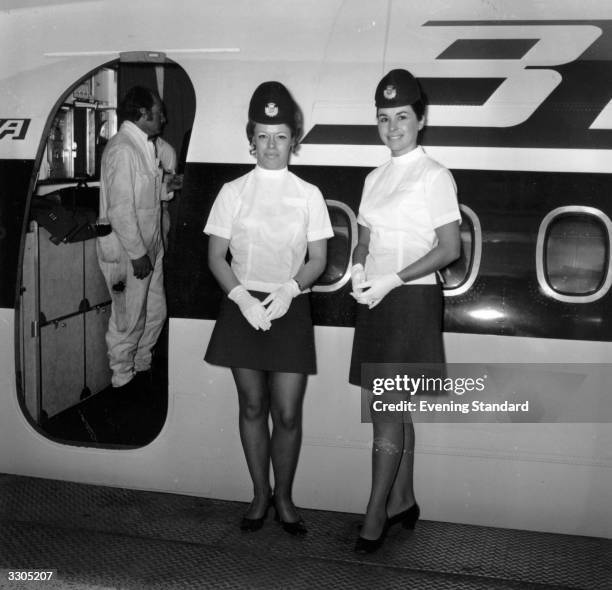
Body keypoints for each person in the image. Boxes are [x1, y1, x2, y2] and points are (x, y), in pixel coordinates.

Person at [204, 81, 333, 535]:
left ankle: (285, 496)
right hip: (242, 303)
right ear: (251, 139)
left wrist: (291, 290)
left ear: (293, 139)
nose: (272, 145)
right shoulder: (233, 192)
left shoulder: (308, 194)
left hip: (290, 305)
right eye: (263, 135)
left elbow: (318, 259)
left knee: (289, 412)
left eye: (280, 135)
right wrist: (240, 296)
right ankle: (260, 494)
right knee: (253, 406)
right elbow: (215, 256)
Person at [349, 69, 461, 553]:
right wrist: (357, 270)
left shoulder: (434, 175)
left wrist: (394, 278)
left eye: (401, 116)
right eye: (384, 118)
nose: (392, 126)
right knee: (396, 409)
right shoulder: (374, 178)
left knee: (385, 411)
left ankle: (376, 511)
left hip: (411, 299)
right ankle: (404, 500)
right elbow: (365, 238)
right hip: (376, 299)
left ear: (421, 119)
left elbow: (449, 248)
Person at [96, 86, 167, 393]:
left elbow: (147, 198)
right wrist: (138, 254)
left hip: (150, 247)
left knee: (155, 312)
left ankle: (140, 365)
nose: (163, 118)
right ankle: (122, 382)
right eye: (158, 112)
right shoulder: (123, 148)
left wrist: (168, 186)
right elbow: (121, 209)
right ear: (142, 114)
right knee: (128, 319)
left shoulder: (144, 146)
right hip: (129, 251)